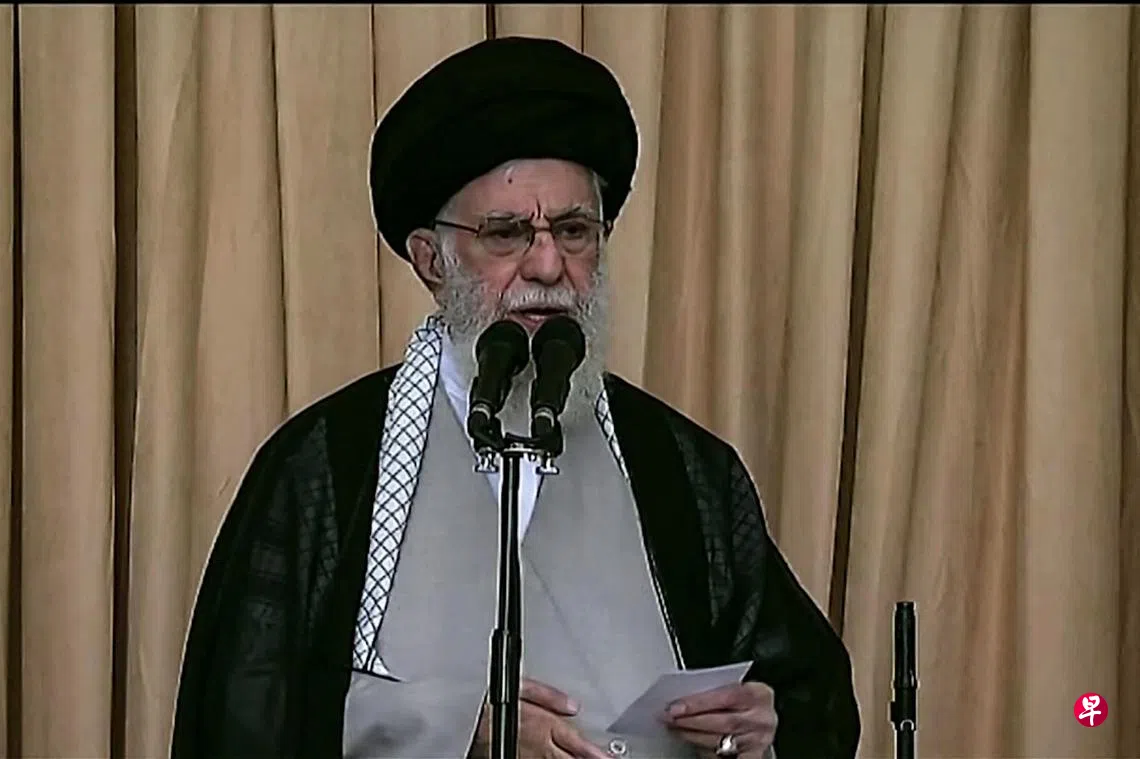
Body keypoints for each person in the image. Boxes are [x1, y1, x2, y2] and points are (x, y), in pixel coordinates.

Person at [170, 36, 861, 759]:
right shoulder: (327, 467)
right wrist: (450, 728)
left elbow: (808, 696)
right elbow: (240, 718)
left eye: (574, 230)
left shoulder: (684, 470)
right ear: (431, 260)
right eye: (506, 234)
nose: (548, 265)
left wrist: (766, 728)